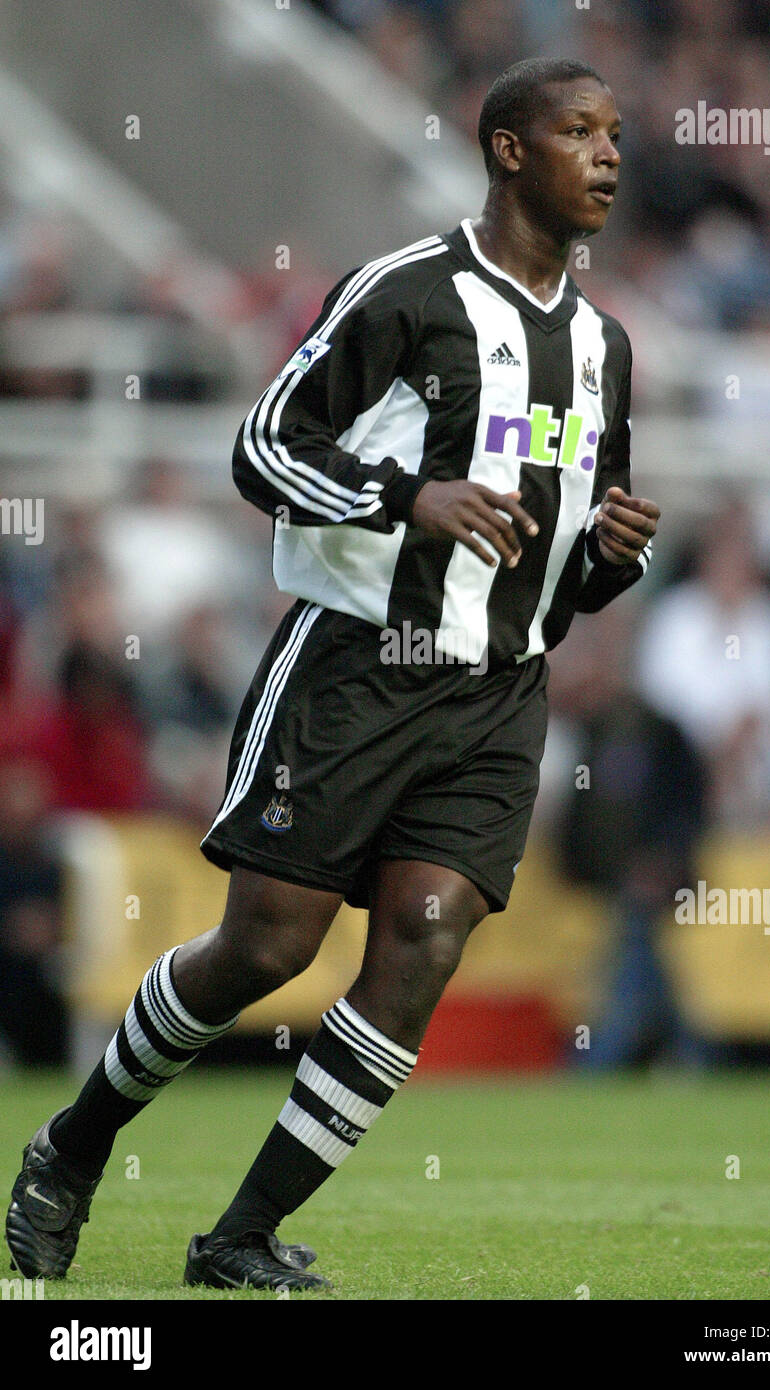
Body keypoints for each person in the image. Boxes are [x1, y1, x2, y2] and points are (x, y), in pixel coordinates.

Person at [6, 57, 659, 1293]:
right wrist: (412, 498)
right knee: (263, 950)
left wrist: (610, 558)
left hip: (498, 691)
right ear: (510, 150)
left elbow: (562, 573)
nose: (609, 155)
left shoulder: (603, 349)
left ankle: (238, 1236)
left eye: (616, 133)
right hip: (355, 670)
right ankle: (69, 1149)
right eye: (580, 131)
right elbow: (262, 447)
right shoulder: (405, 293)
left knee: (422, 941)